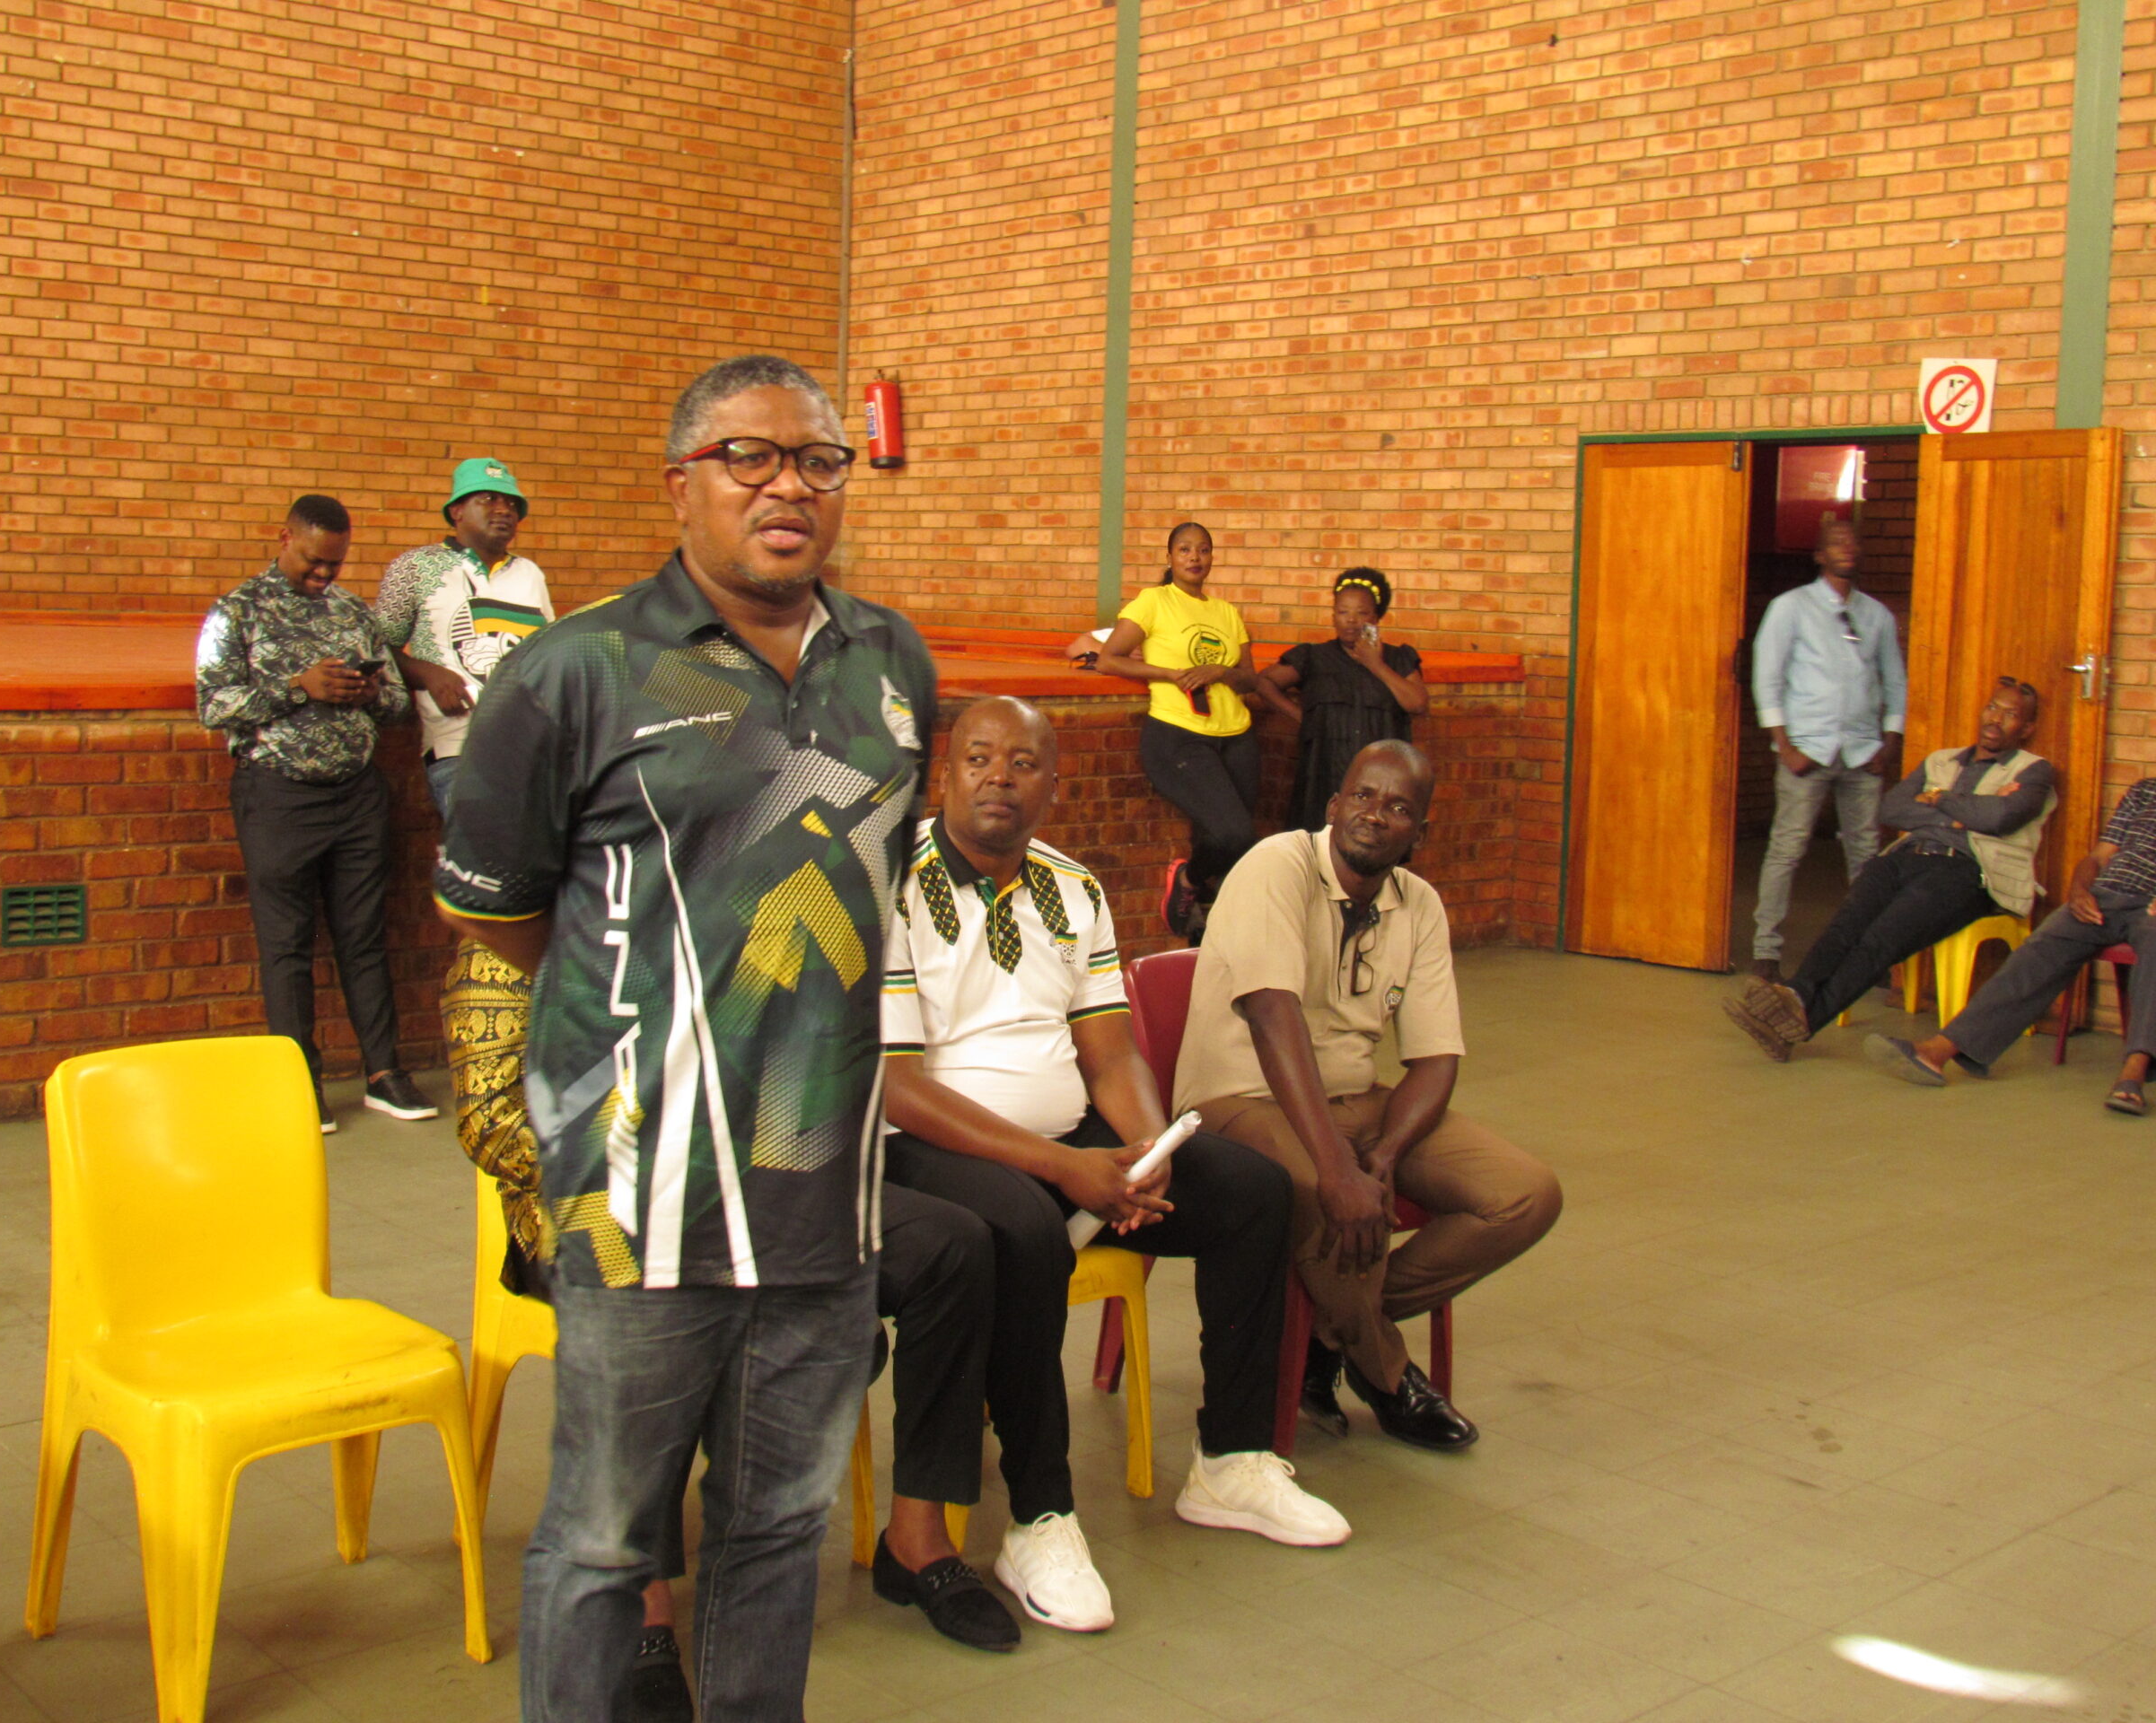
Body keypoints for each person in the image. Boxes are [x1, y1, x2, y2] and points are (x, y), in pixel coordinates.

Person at [433, 354, 940, 1722]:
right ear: (680, 483)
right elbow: (499, 914)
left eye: (819, 459)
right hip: (640, 1203)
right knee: (603, 1546)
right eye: (747, 456)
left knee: (778, 1535)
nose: (788, 483)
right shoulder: (573, 671)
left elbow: (861, 877)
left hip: (827, 1198)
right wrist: (659, 1010)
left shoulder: (891, 661)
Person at [883, 695, 1350, 1633]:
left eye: (1022, 765)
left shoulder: (1074, 887)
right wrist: (1063, 1170)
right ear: (945, 774)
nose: (998, 779)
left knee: (1255, 1192)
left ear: (1054, 787)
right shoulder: (886, 885)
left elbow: (1107, 1053)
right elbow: (894, 1087)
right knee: (1021, 1229)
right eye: (978, 758)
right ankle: (1039, 1517)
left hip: (1067, 1142)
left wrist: (1142, 1146)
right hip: (927, 1150)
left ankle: (1231, 1461)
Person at [443, 942, 1015, 1698]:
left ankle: (916, 1538)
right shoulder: (515, 933)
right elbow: (493, 1117)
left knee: (950, 1248)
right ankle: (640, 1602)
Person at [1177, 741, 1562, 1449]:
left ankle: (1333, 1330)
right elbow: (1270, 1013)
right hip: (1241, 1098)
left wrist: (1382, 1156)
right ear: (1333, 806)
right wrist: (1337, 1169)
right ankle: (1387, 1373)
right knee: (1322, 1195)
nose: (1374, 816)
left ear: (1419, 832)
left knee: (1527, 1194)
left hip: (1356, 1101)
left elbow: (1436, 1057)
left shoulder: (1419, 905)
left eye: (1397, 808)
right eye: (1362, 797)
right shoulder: (1276, 866)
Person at [195, 493, 438, 1133]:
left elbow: (393, 704)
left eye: (334, 564)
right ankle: (296, 1081)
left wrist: (366, 692)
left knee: (363, 937)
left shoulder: (352, 613)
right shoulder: (237, 611)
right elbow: (213, 705)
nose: (323, 575)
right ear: (284, 538)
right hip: (279, 794)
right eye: (313, 561)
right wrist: (296, 687)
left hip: (356, 794)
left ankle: (385, 1073)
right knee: (287, 945)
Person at [1722, 678, 2056, 1059]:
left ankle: (1797, 1023)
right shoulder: (1942, 759)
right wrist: (1962, 815)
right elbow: (1894, 808)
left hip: (1968, 870)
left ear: (2027, 729)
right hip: (1907, 854)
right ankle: (1796, 996)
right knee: (1848, 921)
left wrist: (1939, 799)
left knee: (1881, 938)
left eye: (2011, 715)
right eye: (1992, 707)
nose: (1996, 719)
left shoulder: (2034, 772)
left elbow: (2002, 818)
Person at [1864, 731, 2156, 1116]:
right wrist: (2080, 889)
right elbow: (2099, 856)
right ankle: (1938, 1052)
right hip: (2105, 897)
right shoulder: (2148, 792)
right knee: (2041, 946)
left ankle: (2133, 1073)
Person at [1096, 522, 1300, 940]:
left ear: (1212, 558)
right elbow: (1109, 659)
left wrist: (1222, 671)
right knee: (1233, 832)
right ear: (1170, 558)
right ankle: (1188, 879)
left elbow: (1250, 679)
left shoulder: (1226, 612)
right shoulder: (1153, 602)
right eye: (1185, 550)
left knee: (1235, 845)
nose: (1194, 558)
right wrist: (1169, 673)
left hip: (1237, 734)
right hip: (1178, 733)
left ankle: (1205, 932)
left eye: (1203, 550)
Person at [1748, 518, 1908, 979]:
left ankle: (1863, 952)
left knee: (1865, 855)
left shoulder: (1876, 615)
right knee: (1787, 849)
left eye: (1854, 541)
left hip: (1862, 753)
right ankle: (1767, 951)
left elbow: (1895, 682)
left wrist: (1889, 742)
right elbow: (1768, 678)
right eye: (1836, 543)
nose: (1848, 548)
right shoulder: (1790, 608)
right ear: (1819, 556)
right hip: (1807, 752)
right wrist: (1784, 745)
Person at [372, 457, 555, 819]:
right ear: (456, 511)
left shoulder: (530, 574)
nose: (504, 509)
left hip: (530, 752)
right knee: (484, 863)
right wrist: (428, 674)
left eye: (512, 503)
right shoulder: (416, 567)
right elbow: (376, 649)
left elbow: (547, 655)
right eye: (488, 499)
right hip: (459, 751)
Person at [1261, 566, 1430, 832]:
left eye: (1361, 613)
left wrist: (1376, 664)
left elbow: (1418, 703)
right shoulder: (1314, 657)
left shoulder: (1398, 658)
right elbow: (1264, 682)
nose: (1351, 620)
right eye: (1343, 612)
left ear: (1375, 618)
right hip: (1324, 774)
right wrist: (1303, 718)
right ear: (1333, 616)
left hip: (1381, 781)